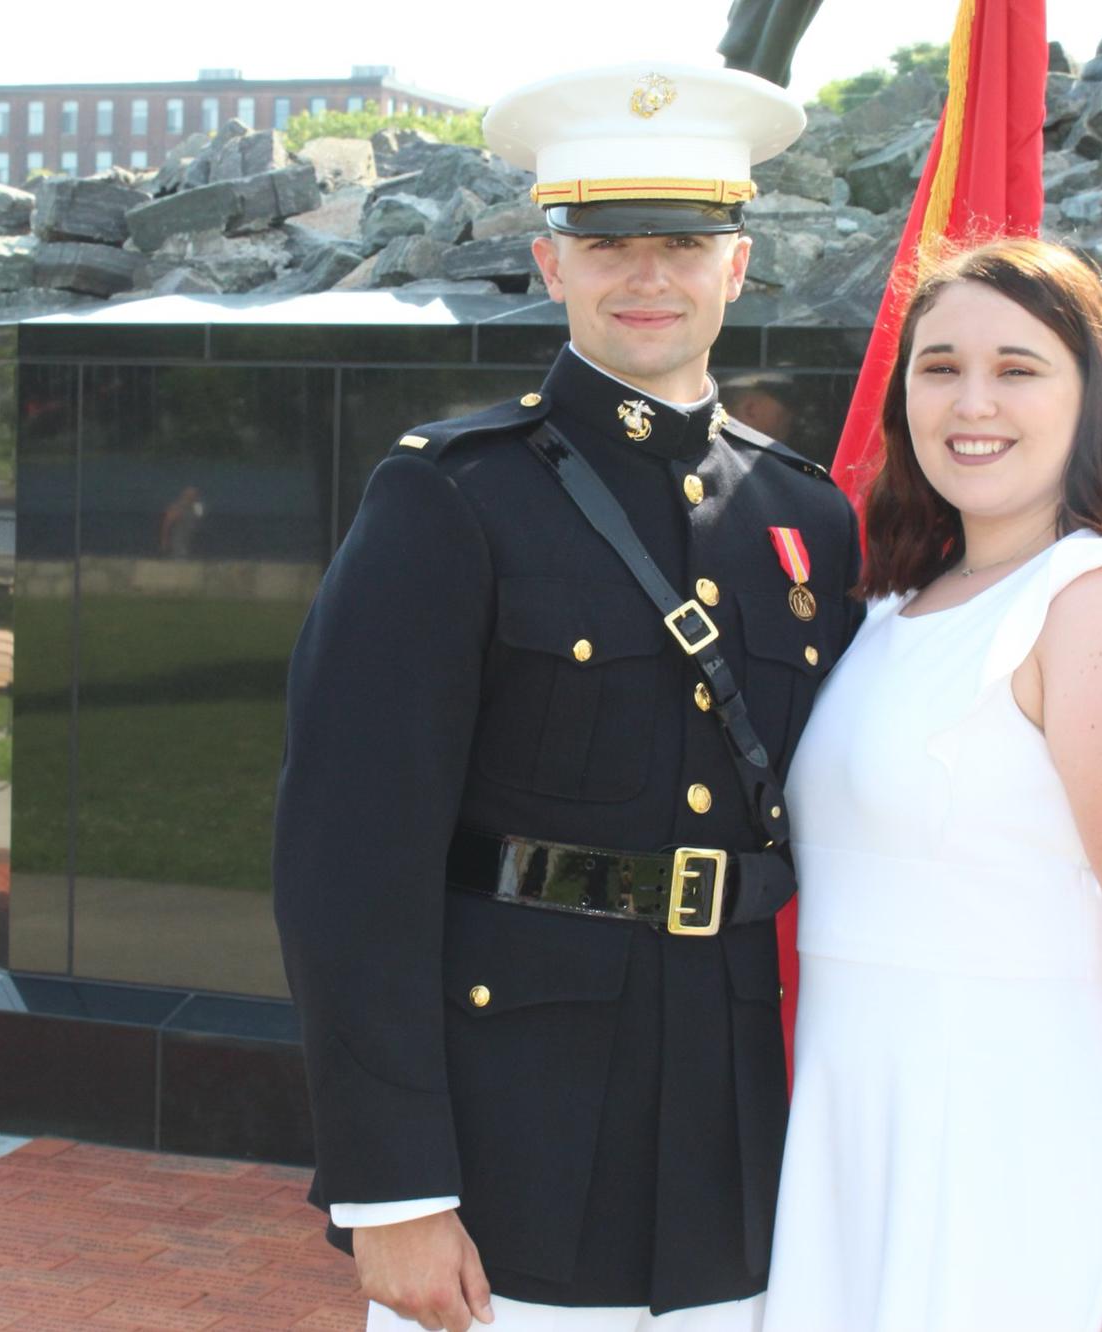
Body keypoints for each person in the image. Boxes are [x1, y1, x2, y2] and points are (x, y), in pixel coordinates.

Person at [272, 64, 858, 1332]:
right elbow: (347, 862)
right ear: (550, 265)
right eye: (608, 243)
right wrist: (392, 1189)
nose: (647, 276)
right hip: (510, 1146)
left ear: (738, 266)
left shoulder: (806, 517)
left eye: (685, 242)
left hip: (740, 1140)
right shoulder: (453, 497)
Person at [764, 238, 1102, 1331]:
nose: (969, 400)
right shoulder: (897, 607)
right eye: (937, 366)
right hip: (862, 1149)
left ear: (1092, 398)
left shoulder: (1099, 605)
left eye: (1017, 368)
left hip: (1033, 1177)